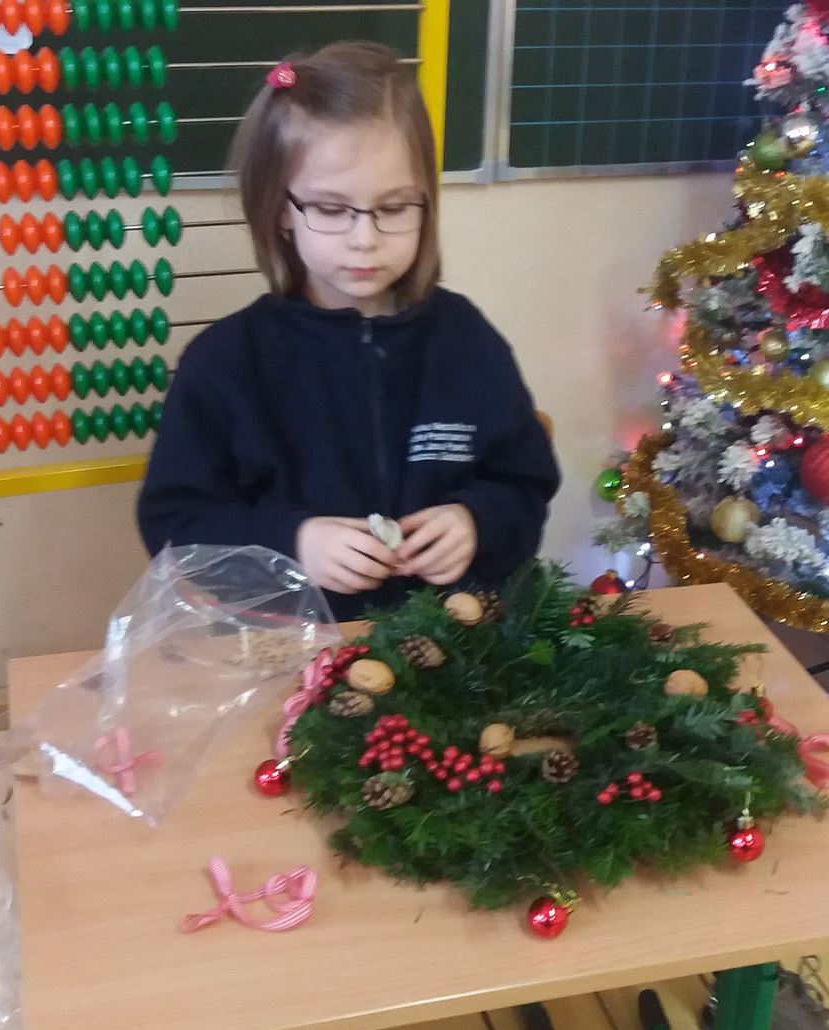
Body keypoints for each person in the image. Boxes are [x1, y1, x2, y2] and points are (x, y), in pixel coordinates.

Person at [135, 42, 559, 619]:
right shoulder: (226, 362)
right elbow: (174, 522)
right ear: (281, 210)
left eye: (395, 207)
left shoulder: (465, 340)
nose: (365, 239)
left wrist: (476, 521)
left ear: (425, 202)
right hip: (283, 645)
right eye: (332, 210)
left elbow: (525, 482)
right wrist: (294, 543)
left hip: (454, 641)